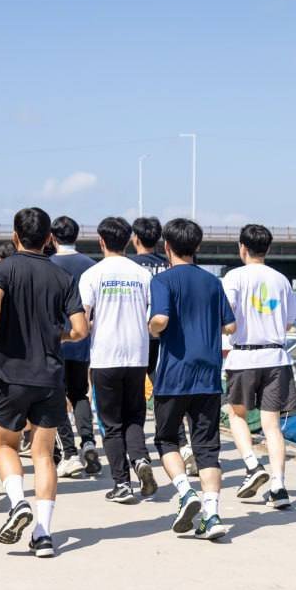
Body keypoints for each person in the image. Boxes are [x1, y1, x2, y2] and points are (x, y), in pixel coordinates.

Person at [0, 208, 88, 558]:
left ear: (15, 235)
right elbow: (81, 329)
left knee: (7, 446)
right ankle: (43, 534)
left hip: (8, 374)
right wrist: (60, 336)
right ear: (49, 239)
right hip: (49, 376)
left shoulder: (0, 269)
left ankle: (17, 503)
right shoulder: (61, 277)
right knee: (44, 455)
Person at [148, 218, 235, 541]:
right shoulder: (213, 283)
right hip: (209, 376)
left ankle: (186, 493)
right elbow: (230, 326)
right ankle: (212, 516)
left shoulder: (163, 281)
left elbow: (160, 319)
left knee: (167, 439)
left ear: (166, 247)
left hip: (173, 375)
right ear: (197, 247)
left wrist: (152, 328)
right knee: (207, 449)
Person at [79, 216, 156, 503]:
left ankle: (122, 483)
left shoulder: (92, 275)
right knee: (134, 416)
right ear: (128, 240)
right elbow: (152, 316)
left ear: (101, 241)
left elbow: (83, 320)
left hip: (105, 356)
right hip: (137, 355)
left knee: (110, 423)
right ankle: (141, 460)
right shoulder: (142, 275)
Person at [222, 224, 296, 509]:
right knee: (272, 425)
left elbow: (226, 318)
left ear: (242, 247)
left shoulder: (234, 277)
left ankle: (253, 466)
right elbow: (289, 321)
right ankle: (278, 485)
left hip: (243, 357)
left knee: (237, 415)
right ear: (267, 248)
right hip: (277, 358)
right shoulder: (281, 280)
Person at [131, 216, 196, 476]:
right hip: (168, 338)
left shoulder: (129, 266)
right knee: (167, 391)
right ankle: (182, 442)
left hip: (139, 338)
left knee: (134, 396)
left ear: (135, 238)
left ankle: (137, 452)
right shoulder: (168, 266)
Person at [49, 215, 102, 479]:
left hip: (54, 340)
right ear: (77, 236)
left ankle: (68, 453)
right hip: (82, 340)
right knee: (80, 392)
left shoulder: (47, 265)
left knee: (57, 396)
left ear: (52, 237)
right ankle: (88, 441)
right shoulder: (91, 266)